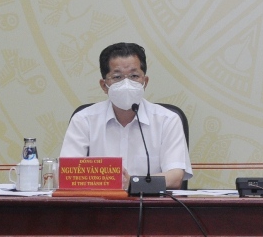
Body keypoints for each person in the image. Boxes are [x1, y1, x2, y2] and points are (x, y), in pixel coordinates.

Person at [61, 42, 192, 189]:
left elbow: (175, 178)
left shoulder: (167, 120)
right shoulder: (84, 120)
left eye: (134, 76)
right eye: (117, 77)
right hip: (98, 208)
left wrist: (132, 183)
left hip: (151, 208)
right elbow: (66, 174)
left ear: (145, 82)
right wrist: (111, 181)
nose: (126, 83)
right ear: (104, 85)